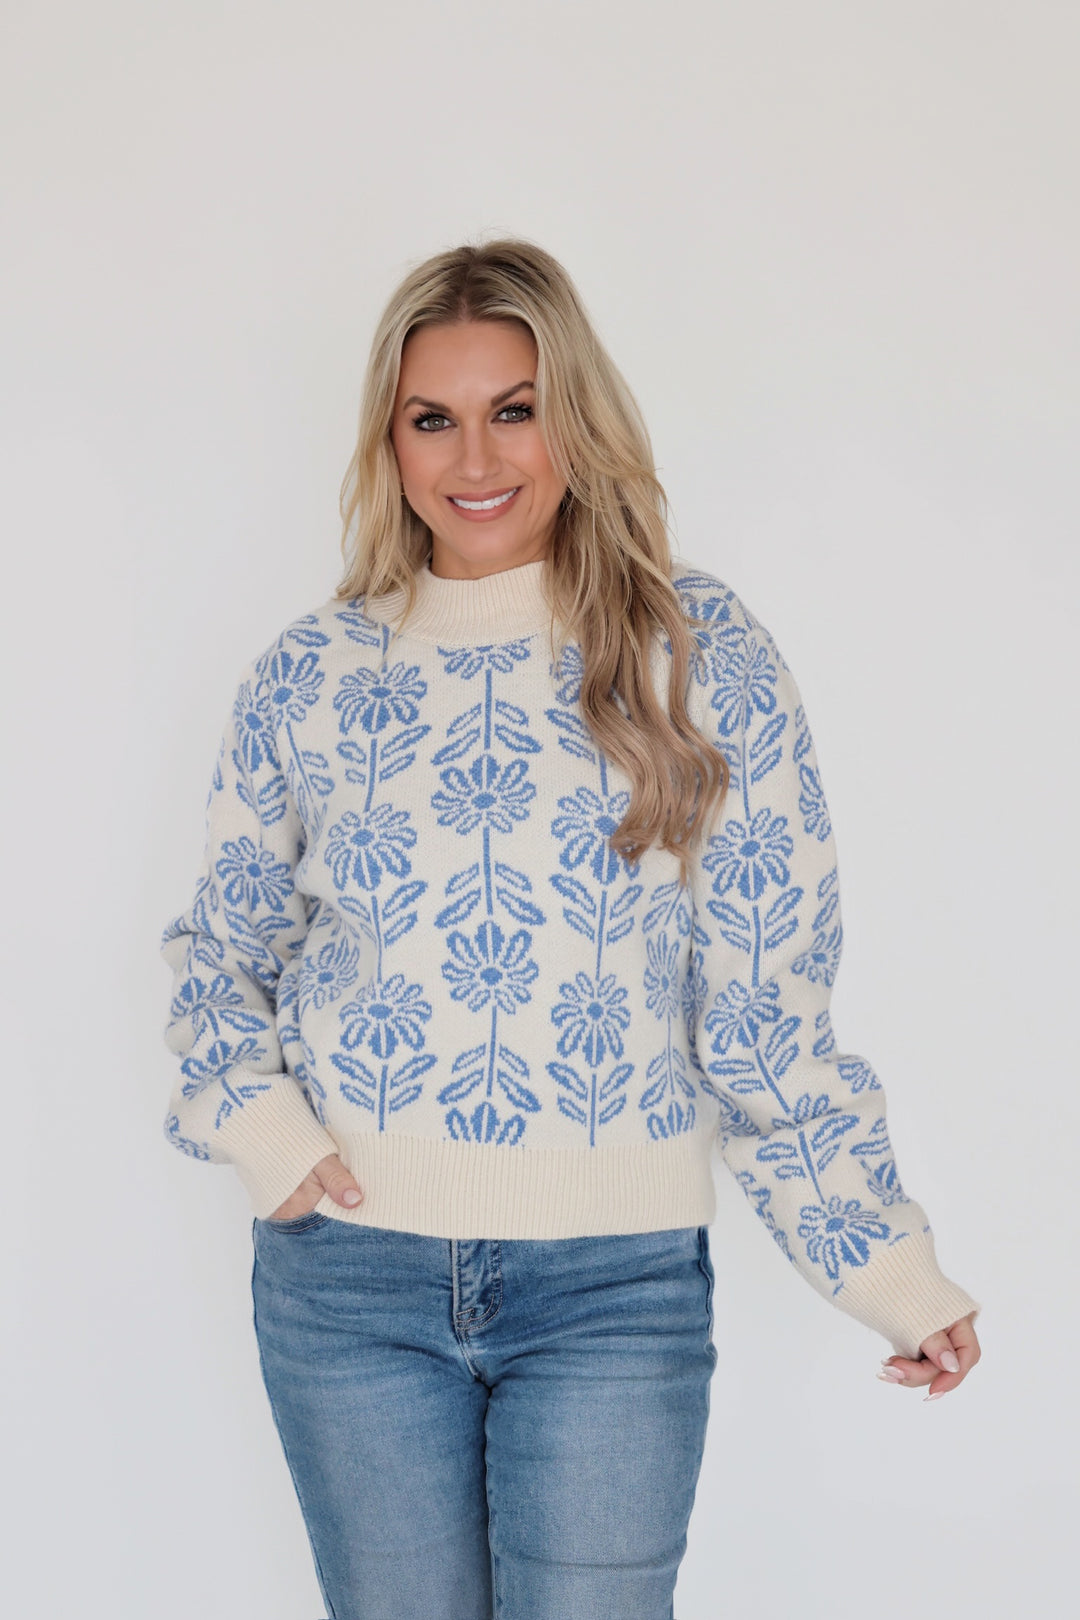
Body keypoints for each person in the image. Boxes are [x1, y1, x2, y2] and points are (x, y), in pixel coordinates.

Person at [159, 237, 983, 1620]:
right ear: (389, 441)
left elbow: (765, 1003)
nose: (475, 456)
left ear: (576, 419)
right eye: (432, 418)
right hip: (350, 1286)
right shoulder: (313, 672)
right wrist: (264, 1132)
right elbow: (220, 953)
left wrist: (888, 1266)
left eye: (516, 408)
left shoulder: (694, 653)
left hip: (613, 1293)